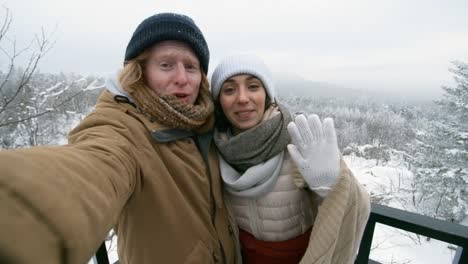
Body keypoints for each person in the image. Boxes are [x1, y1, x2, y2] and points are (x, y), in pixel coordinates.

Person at [0, 13, 241, 264]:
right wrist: (17, 209)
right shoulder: (123, 128)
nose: (182, 78)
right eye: (166, 65)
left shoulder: (205, 122)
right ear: (139, 71)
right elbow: (93, 167)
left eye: (191, 66)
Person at [210, 54, 371, 264]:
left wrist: (330, 186)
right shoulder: (215, 149)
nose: (242, 98)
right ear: (219, 100)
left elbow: (359, 203)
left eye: (253, 86)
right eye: (229, 90)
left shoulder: (299, 139)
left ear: (267, 94)